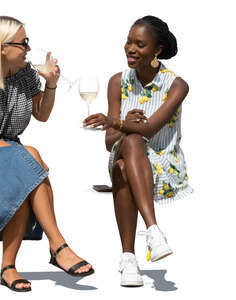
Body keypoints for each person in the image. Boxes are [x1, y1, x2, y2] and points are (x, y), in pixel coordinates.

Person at [0, 16, 94, 293]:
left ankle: (8, 268)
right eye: (23, 43)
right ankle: (58, 246)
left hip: (11, 154)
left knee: (23, 169)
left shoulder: (25, 75)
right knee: (27, 158)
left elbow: (41, 114)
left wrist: (51, 85)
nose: (28, 49)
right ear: (2, 47)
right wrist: (23, 157)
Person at [83, 15, 193, 287]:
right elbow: (110, 142)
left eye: (140, 44)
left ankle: (128, 258)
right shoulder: (117, 82)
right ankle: (153, 232)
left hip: (163, 164)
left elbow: (151, 129)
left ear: (157, 51)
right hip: (128, 155)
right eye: (129, 41)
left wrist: (117, 123)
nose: (130, 48)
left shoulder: (176, 85)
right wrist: (123, 126)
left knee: (124, 160)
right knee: (129, 144)